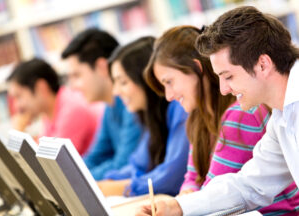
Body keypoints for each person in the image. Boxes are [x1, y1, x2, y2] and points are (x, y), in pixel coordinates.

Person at [136, 6, 299, 216]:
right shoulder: (281, 118)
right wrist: (178, 207)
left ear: (262, 64)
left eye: (229, 76)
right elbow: (250, 185)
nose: (224, 89)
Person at [97, 36, 189, 197]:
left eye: (123, 82)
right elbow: (138, 164)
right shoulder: (153, 115)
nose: (115, 92)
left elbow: (171, 177)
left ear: (146, 79)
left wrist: (119, 188)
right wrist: (108, 182)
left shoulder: (180, 107)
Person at [61, 28, 142, 180]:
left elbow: (123, 164)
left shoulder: (131, 102)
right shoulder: (109, 106)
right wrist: (64, 177)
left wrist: (75, 180)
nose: (72, 87)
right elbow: (96, 156)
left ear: (102, 67)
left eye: (77, 75)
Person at [7, 58, 97, 155]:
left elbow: (51, 165)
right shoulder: (50, 112)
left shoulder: (72, 110)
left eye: (19, 96)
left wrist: (18, 134)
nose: (17, 106)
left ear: (41, 87)